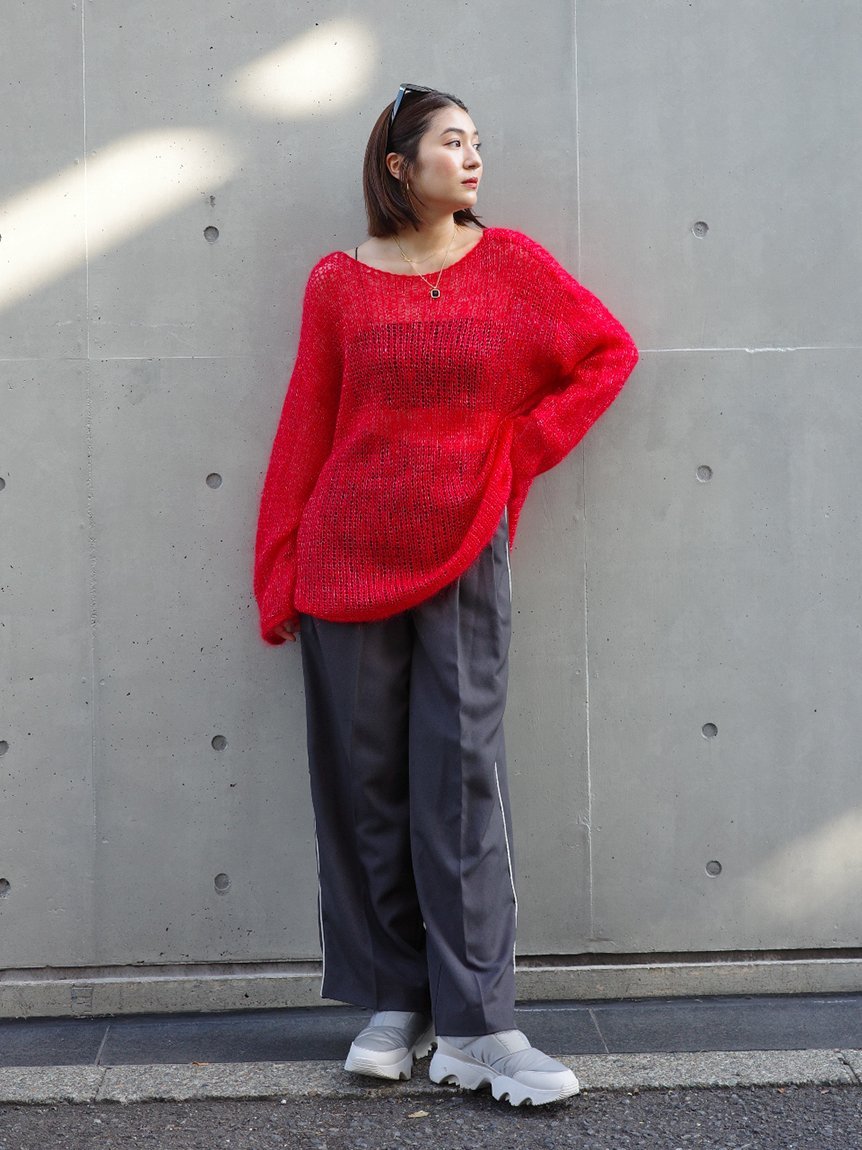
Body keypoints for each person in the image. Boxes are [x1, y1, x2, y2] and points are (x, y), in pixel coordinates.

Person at [254, 83, 638, 1107]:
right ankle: (398, 999)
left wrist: (517, 452)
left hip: (463, 553)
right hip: (344, 558)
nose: (472, 159)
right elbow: (308, 420)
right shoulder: (337, 282)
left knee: (458, 783)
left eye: (477, 143)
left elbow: (606, 353)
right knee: (363, 790)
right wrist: (278, 566)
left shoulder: (508, 264)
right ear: (398, 164)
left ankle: (478, 1023)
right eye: (451, 142)